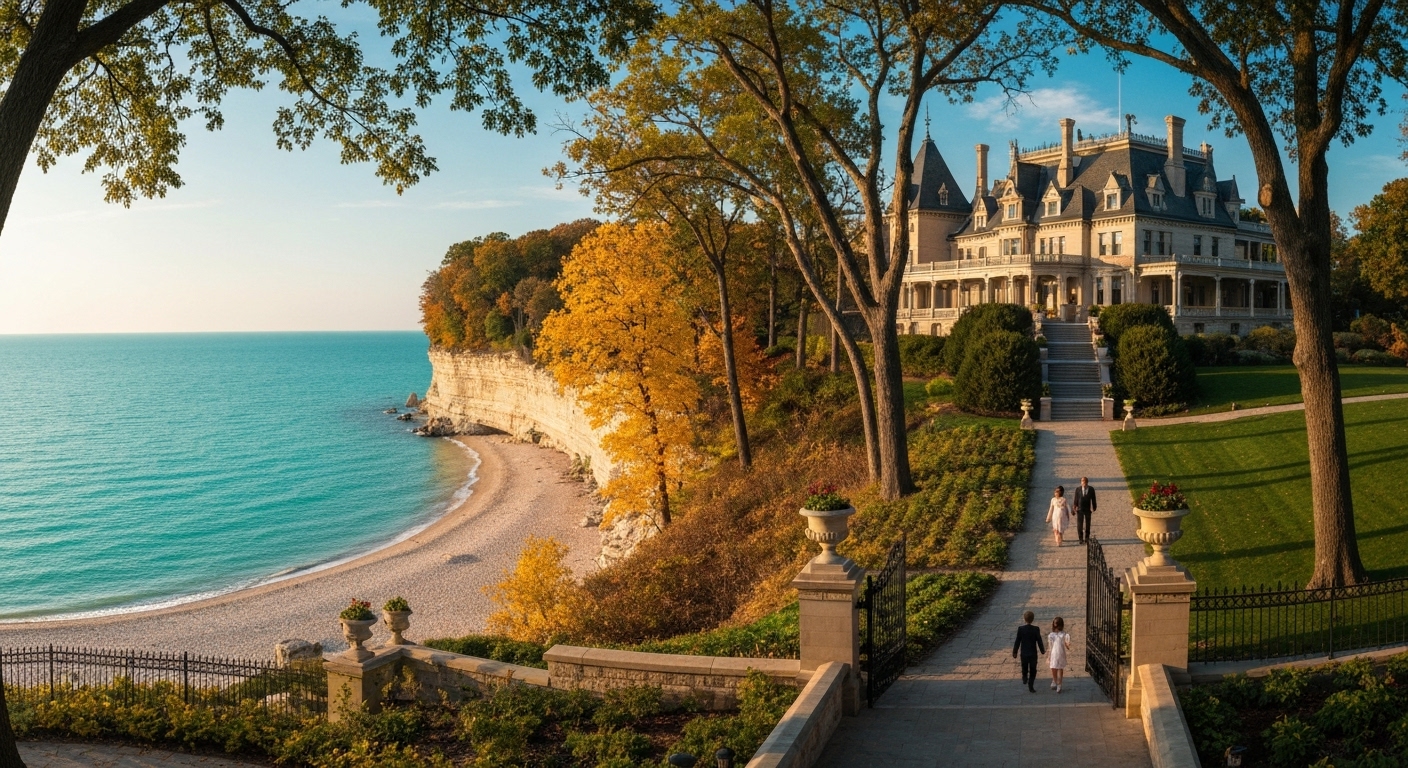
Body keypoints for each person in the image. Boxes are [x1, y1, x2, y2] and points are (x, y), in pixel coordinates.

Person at [1012, 610, 1046, 693]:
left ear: (1024, 619)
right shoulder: (1036, 629)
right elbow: (1039, 640)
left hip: (1024, 653)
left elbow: (1017, 641)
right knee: (1033, 670)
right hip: (1033, 653)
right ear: (1033, 619)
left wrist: (1015, 651)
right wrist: (1042, 650)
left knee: (1024, 667)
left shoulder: (1021, 629)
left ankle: (1024, 676)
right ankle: (1031, 685)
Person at [1048, 616, 1072, 693]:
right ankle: (1055, 681)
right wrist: (1049, 656)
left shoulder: (1064, 634)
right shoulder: (1051, 635)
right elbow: (1050, 646)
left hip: (1059, 653)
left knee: (1058, 668)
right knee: (1055, 668)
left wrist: (1067, 644)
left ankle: (1059, 684)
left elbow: (1067, 645)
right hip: (1055, 653)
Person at [1074, 476, 1097, 544]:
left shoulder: (1091, 489)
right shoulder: (1078, 489)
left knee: (1088, 524)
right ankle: (1080, 538)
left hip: (1087, 509)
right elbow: (1076, 499)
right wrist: (1075, 506)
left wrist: (1094, 506)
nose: (1084, 483)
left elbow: (1093, 498)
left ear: (1087, 482)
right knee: (1079, 524)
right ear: (1081, 482)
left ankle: (1087, 538)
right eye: (1082, 481)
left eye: (1085, 481)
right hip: (1080, 509)